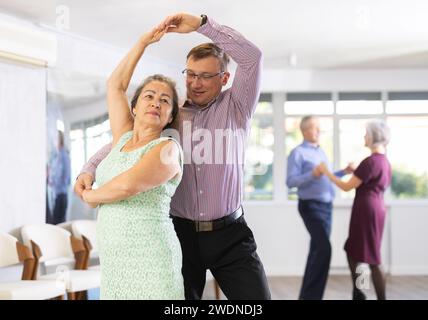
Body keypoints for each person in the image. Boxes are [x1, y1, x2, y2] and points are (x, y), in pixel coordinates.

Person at [75, 13, 271, 300]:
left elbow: (253, 57)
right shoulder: (171, 115)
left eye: (205, 76)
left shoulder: (238, 105)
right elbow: (131, 138)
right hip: (180, 233)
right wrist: (89, 168)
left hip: (230, 234)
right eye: (191, 74)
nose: (196, 83)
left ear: (225, 78)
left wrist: (204, 25)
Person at [80, 26, 184, 299]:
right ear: (135, 106)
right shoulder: (121, 138)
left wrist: (90, 196)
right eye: (149, 96)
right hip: (115, 263)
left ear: (170, 116)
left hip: (151, 258)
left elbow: (127, 185)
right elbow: (115, 85)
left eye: (165, 101)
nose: (156, 103)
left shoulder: (167, 148)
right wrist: (143, 42)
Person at [318, 119, 391, 300]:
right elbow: (368, 179)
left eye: (366, 133)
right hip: (376, 208)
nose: (364, 136)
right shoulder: (383, 161)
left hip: (366, 210)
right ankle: (359, 293)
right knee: (355, 250)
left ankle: (365, 295)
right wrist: (354, 171)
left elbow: (346, 187)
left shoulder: (370, 162)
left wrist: (326, 172)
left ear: (374, 136)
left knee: (369, 256)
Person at [286, 116, 354, 300]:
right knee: (325, 249)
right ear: (305, 131)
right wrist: (312, 174)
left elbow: (327, 175)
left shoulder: (321, 151)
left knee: (317, 251)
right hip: (310, 207)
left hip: (327, 207)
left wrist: (343, 172)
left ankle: (307, 297)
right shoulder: (297, 153)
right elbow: (290, 181)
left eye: (319, 128)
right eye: (316, 128)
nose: (319, 131)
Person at [48, 130, 71, 224]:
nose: (53, 141)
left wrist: (56, 184)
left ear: (59, 140)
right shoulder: (56, 156)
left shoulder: (64, 156)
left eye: (55, 138)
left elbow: (66, 178)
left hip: (61, 195)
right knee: (55, 222)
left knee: (59, 224)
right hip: (56, 195)